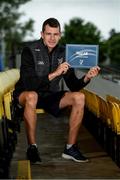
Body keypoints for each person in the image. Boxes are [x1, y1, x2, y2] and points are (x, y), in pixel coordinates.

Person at [13, 17, 100, 164]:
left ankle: (70, 148)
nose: (52, 38)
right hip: (26, 94)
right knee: (32, 95)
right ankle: (32, 148)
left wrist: (87, 77)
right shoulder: (29, 51)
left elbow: (73, 85)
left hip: (50, 96)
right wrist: (55, 73)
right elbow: (30, 84)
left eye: (56, 34)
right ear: (42, 34)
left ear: (60, 35)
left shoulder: (64, 52)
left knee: (79, 97)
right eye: (48, 34)